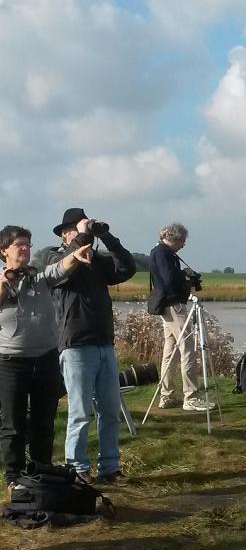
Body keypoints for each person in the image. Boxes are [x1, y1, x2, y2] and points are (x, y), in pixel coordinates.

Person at [47, 207, 136, 484]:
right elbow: (60, 272)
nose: (86, 235)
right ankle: (76, 468)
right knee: (80, 412)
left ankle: (110, 468)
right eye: (77, 229)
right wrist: (82, 238)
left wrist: (107, 237)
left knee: (109, 410)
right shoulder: (54, 258)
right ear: (65, 234)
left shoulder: (97, 262)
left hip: (104, 342)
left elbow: (127, 268)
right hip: (75, 344)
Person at [0, 225, 91, 487]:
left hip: (45, 358)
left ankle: (41, 471)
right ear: (4, 250)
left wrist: (76, 256)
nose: (25, 249)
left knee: (44, 420)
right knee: (13, 423)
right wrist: (4, 285)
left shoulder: (38, 278)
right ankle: (14, 476)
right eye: (19, 244)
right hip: (10, 363)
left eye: (27, 244)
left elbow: (60, 268)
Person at [148, 223, 213, 412]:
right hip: (174, 306)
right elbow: (169, 279)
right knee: (188, 349)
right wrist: (185, 278)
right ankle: (191, 397)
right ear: (174, 238)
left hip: (166, 306)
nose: (183, 245)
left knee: (170, 352)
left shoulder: (159, 252)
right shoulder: (164, 253)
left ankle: (167, 396)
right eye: (182, 241)